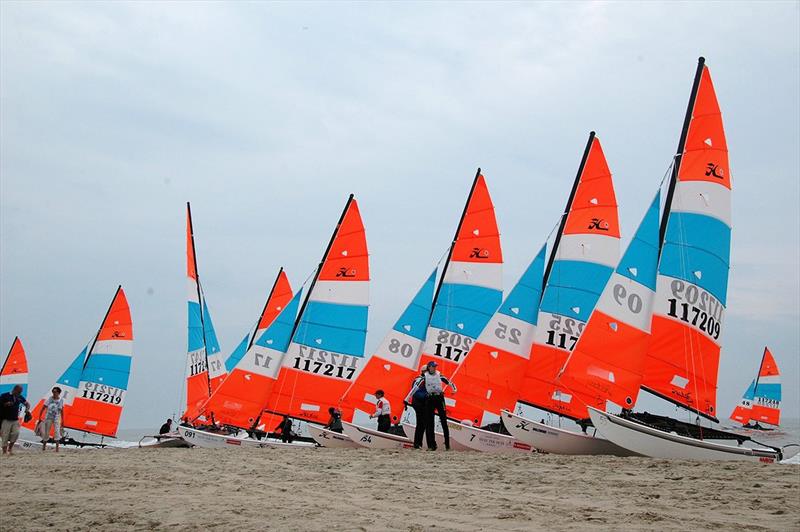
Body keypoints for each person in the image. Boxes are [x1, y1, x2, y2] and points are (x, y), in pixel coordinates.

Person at [421, 361, 457, 450]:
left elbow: (450, 383)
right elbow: (415, 388)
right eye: (433, 366)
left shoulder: (439, 375)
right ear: (429, 367)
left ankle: (447, 445)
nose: (435, 368)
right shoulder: (424, 377)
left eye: (435, 366)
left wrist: (454, 390)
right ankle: (432, 445)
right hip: (430, 399)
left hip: (440, 399)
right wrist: (406, 399)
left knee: (444, 421)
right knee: (430, 423)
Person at [1, 384, 31, 455]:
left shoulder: (19, 397)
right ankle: (4, 451)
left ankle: (10, 448)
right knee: (5, 435)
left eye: (20, 392)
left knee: (16, 433)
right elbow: (1, 404)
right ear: (15, 390)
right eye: (19, 392)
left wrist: (27, 410)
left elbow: (27, 404)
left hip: (15, 419)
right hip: (6, 419)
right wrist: (6, 404)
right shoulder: (4, 395)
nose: (20, 393)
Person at [404, 370, 429, 449]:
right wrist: (406, 399)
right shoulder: (421, 379)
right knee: (421, 423)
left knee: (421, 424)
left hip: (419, 402)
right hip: (418, 403)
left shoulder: (422, 379)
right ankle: (417, 444)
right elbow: (414, 390)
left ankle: (418, 444)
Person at [39, 386, 65, 452]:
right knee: (46, 432)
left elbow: (62, 410)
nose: (54, 393)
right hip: (48, 417)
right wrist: (40, 416)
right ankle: (44, 447)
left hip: (57, 417)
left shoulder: (61, 400)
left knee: (57, 432)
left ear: (58, 393)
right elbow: (43, 407)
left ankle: (57, 449)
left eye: (55, 392)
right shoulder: (50, 399)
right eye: (53, 392)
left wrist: (63, 420)